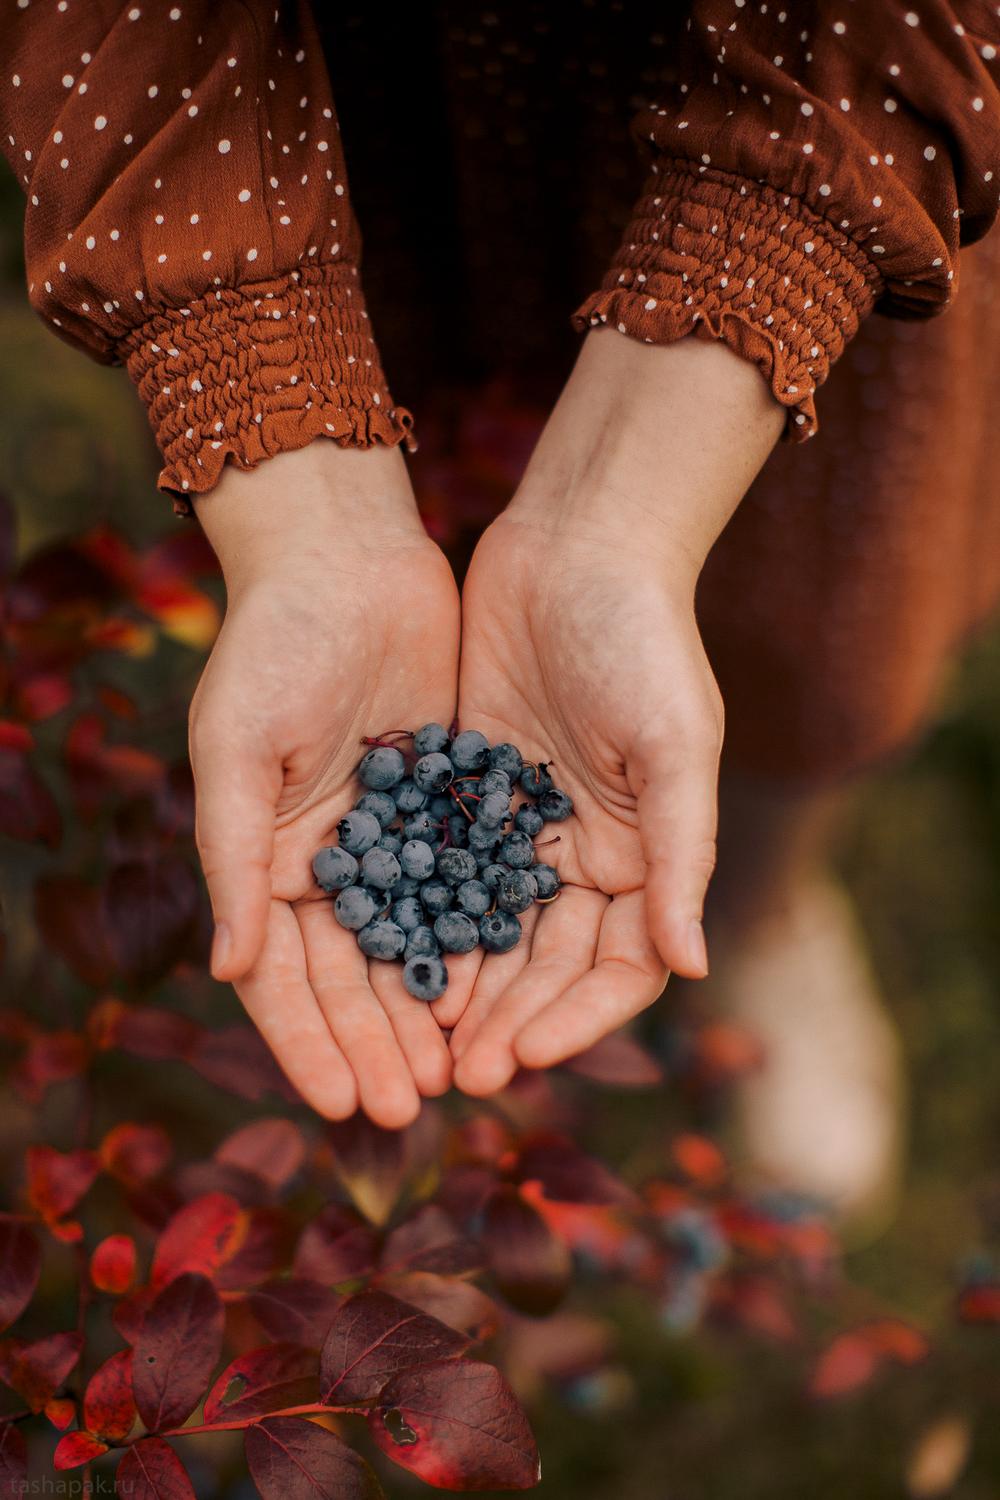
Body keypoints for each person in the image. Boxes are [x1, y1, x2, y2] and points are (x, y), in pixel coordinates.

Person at [3, 5, 998, 1214]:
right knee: (437, 494)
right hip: (347, 157)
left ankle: (767, 906)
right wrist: (304, 520)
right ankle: (746, 904)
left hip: (813, 142)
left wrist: (626, 514)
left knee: (819, 639)